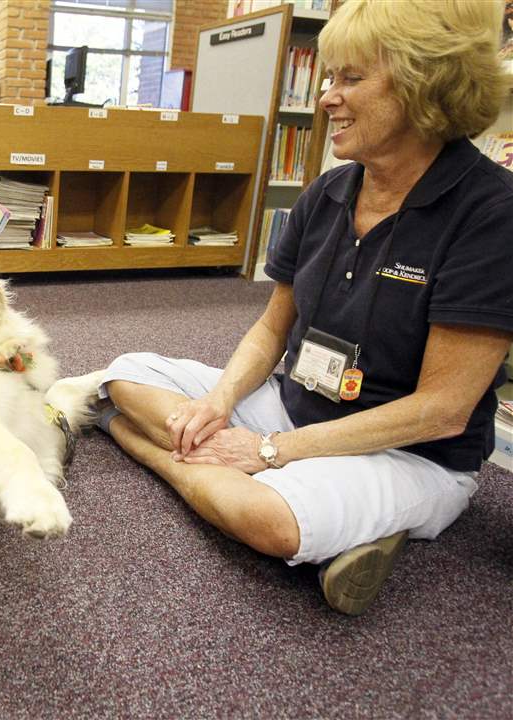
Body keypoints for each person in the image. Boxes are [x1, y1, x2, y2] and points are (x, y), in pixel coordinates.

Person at [94, 0, 513, 616]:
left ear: (425, 81)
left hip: (404, 452)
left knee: (266, 520)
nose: (325, 98)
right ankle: (247, 480)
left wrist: (269, 454)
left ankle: (146, 445)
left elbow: (443, 410)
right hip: (293, 407)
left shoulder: (490, 213)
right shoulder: (329, 190)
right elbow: (272, 327)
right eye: (327, 77)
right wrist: (220, 401)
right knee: (126, 374)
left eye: (350, 78)